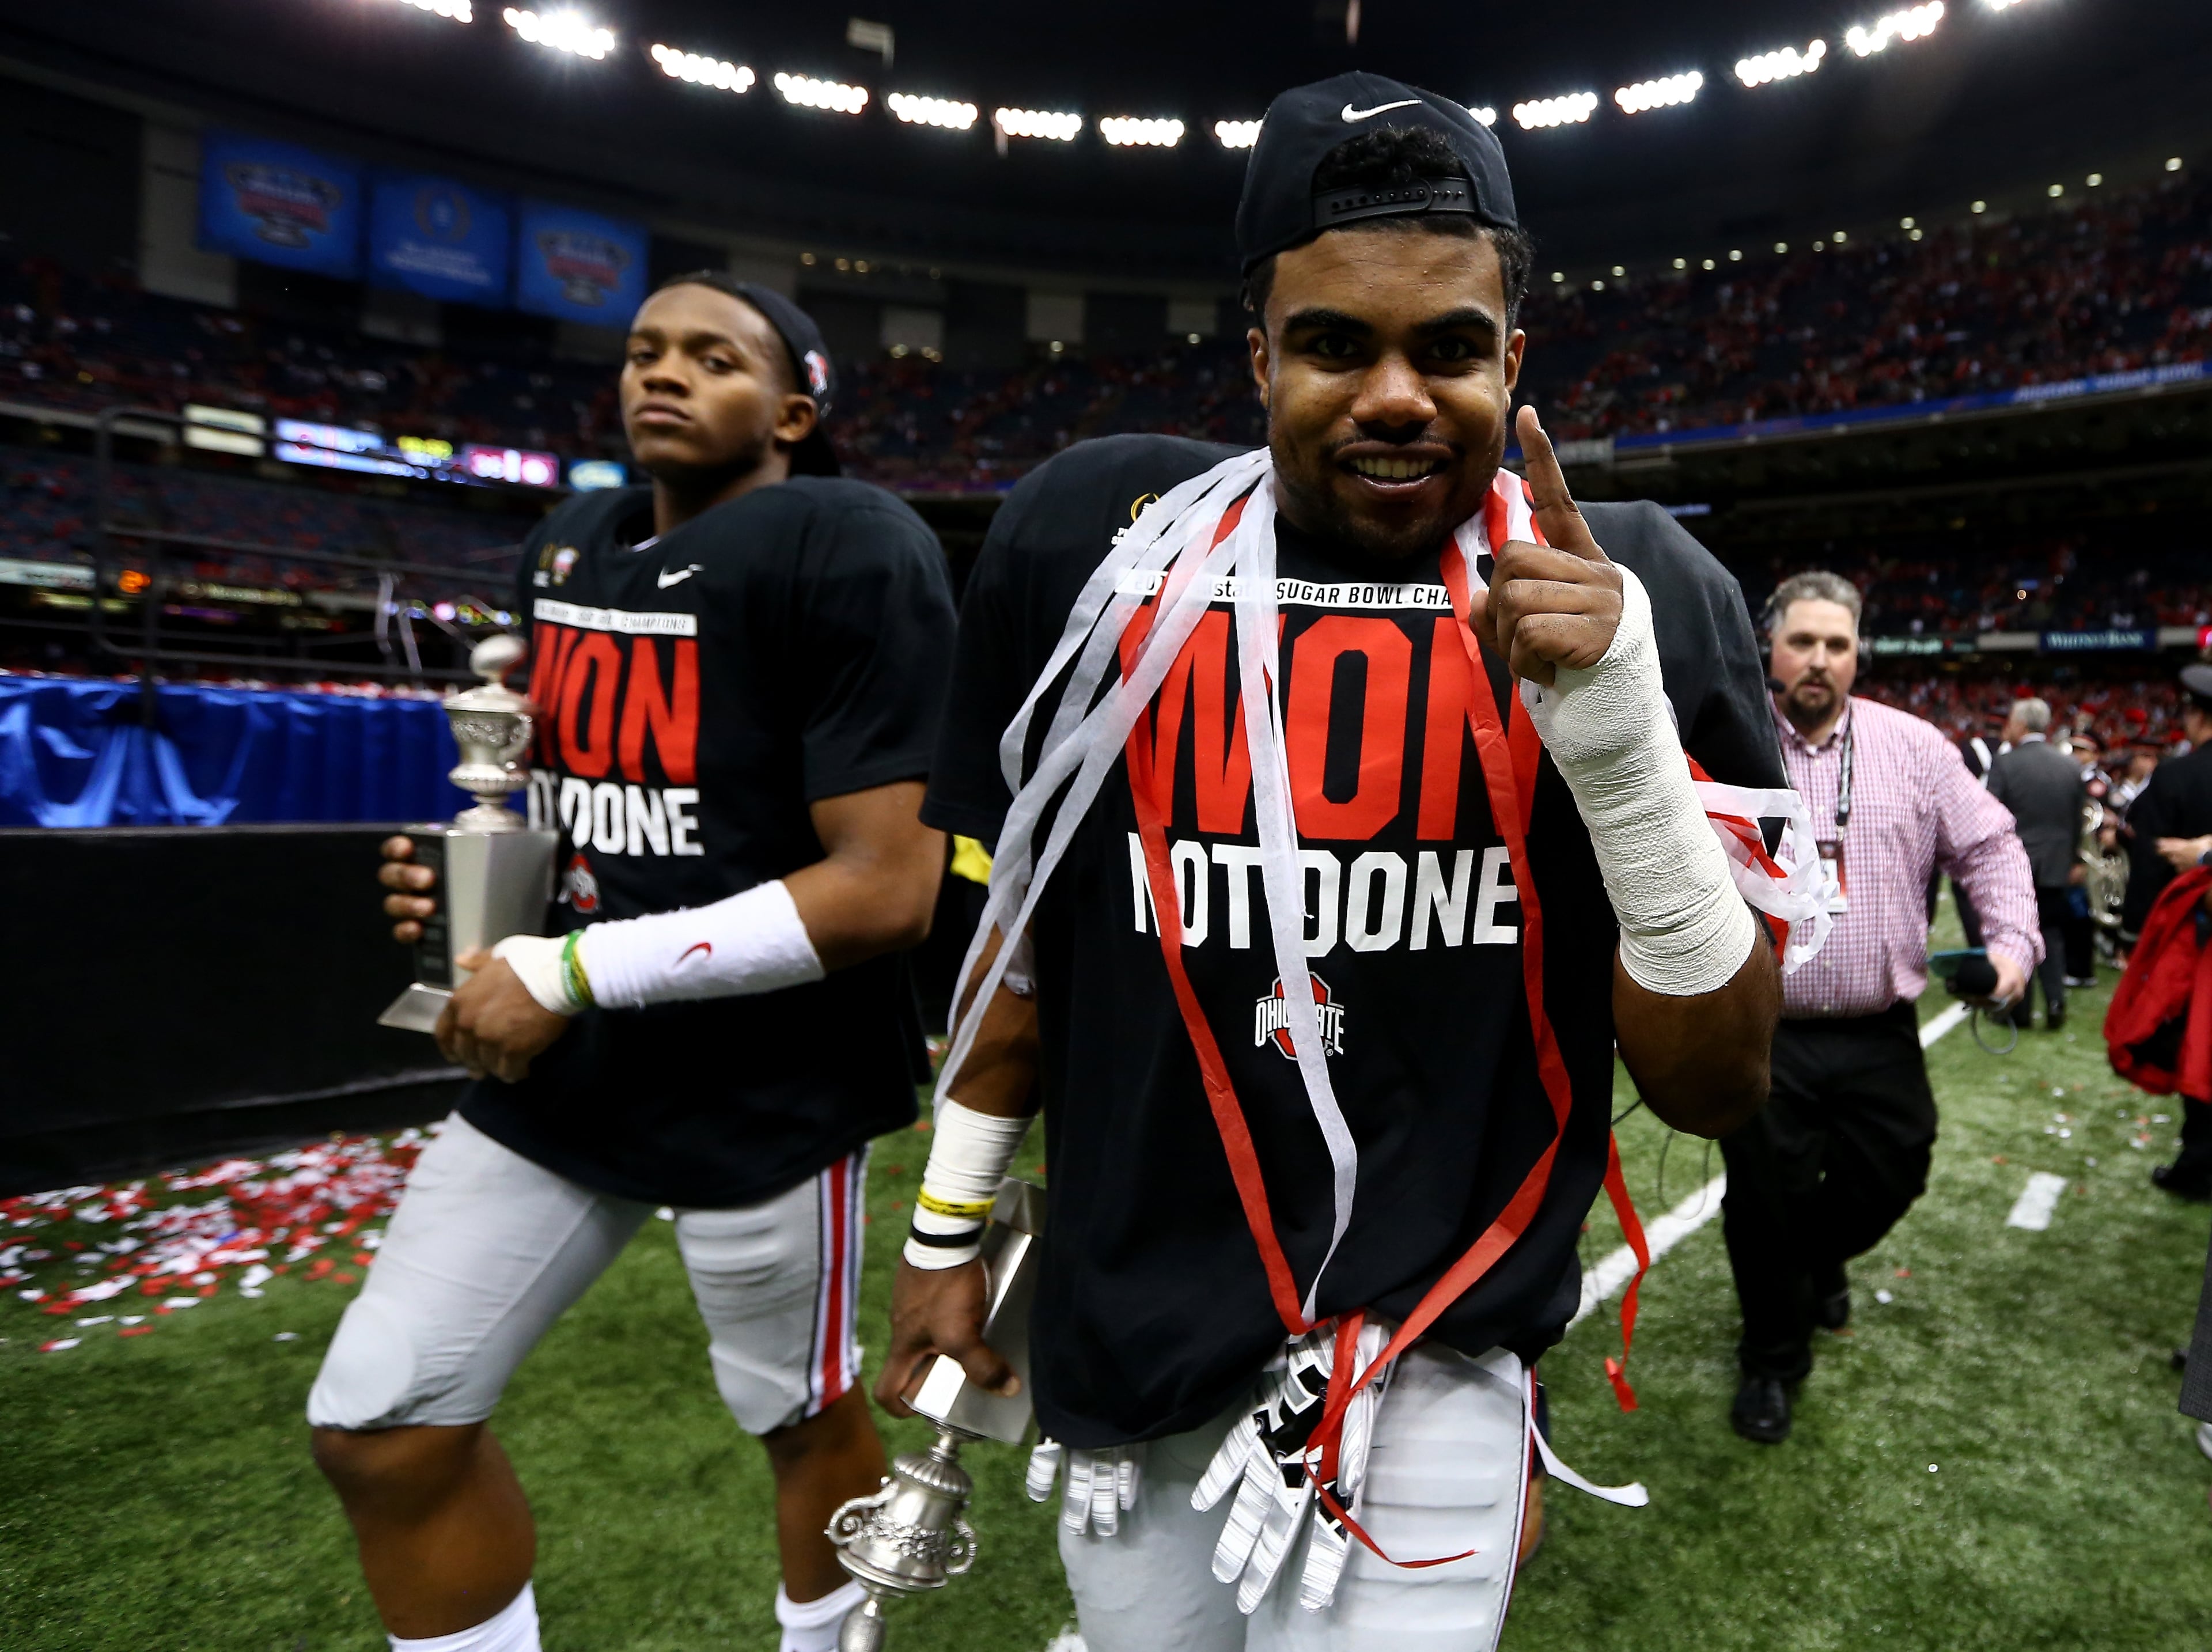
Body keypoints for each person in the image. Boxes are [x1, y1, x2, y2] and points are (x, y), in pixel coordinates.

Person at [876, 77, 1806, 1649]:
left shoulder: (1632, 585)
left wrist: (1625, 748)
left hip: (1433, 1342)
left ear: (1515, 358)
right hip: (1130, 1316)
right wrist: (943, 1236)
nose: (1396, 393)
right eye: (1334, 344)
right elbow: (1024, 952)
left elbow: (1720, 1086)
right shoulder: (1095, 548)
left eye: (1448, 345)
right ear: (1258, 356)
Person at [312, 274, 958, 1652]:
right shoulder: (571, 545)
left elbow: (886, 889)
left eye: (712, 357)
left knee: (796, 1412)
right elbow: (582, 794)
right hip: (571, 1066)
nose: (662, 372)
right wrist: (476, 887)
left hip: (764, 1084)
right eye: (644, 349)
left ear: (792, 410)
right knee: (378, 1420)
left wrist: (574, 968)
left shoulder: (850, 543)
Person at [1722, 572, 2040, 1443]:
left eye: (1838, 644)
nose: (1820, 661)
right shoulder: (1728, 740)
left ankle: (1815, 1261)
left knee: (1898, 1166)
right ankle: (1772, 1362)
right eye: (1803, 642)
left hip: (1878, 1028)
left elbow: (1991, 846)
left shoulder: (1918, 748)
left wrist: (2011, 948)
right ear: (1771, 648)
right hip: (1763, 1032)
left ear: (1857, 653)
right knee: (1764, 1201)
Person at [2122, 662, 2212, 1198]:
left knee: (2200, 1049)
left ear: (2197, 717)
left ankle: (2198, 1164)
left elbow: (2150, 861)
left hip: (2197, 941)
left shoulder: (2178, 776)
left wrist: (2137, 932)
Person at [1986, 698, 2084, 1029]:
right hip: (2057, 865)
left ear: (2022, 725)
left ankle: (2020, 1010)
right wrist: (2072, 860)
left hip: (2016, 866)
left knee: (2019, 933)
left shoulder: (2006, 764)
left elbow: (1990, 816)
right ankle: (2056, 1001)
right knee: (2052, 933)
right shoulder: (2069, 766)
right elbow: (2076, 821)